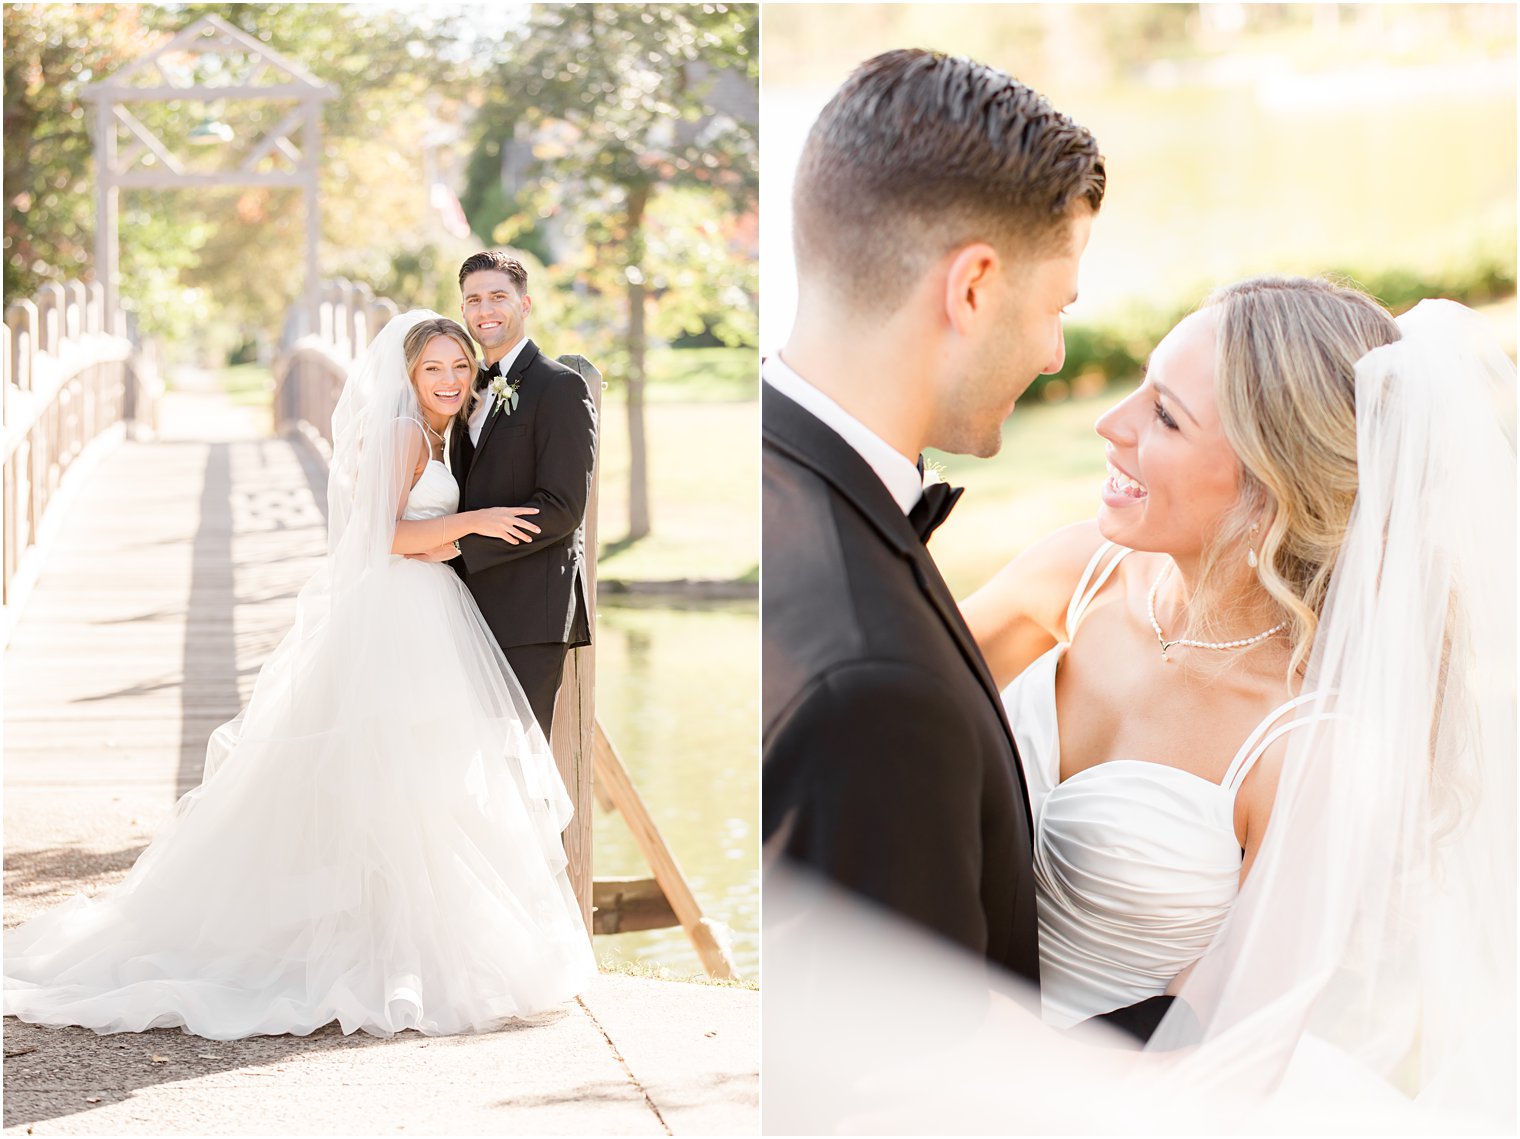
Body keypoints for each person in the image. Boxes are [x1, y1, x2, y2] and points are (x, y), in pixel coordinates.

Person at [962, 276, 1515, 1123]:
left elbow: (1211, 1059)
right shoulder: (1076, 576)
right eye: (1141, 387)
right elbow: (892, 717)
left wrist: (963, 1037)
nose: (1112, 424)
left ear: (1270, 488)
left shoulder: (1315, 748)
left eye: (1166, 416)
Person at [3, 312, 597, 1040]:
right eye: (434, 368)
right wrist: (473, 525)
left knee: (421, 781)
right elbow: (382, 536)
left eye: (460, 367)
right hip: (401, 617)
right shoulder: (408, 433)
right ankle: (388, 947)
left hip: (427, 611)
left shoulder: (439, 432)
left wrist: (457, 532)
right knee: (401, 777)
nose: (450, 380)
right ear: (409, 374)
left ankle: (405, 937)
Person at [761, 48, 1170, 1040]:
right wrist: (1190, 1022)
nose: (1054, 352)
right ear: (975, 285)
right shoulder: (873, 683)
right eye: (1056, 305)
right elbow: (894, 1091)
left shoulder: (780, 482)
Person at [421, 252, 598, 741]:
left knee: (516, 766)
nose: (485, 310)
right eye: (473, 300)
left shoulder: (561, 387)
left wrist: (460, 544)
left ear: (525, 303)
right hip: (460, 604)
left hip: (529, 612)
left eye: (498, 296)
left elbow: (562, 508)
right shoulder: (464, 386)